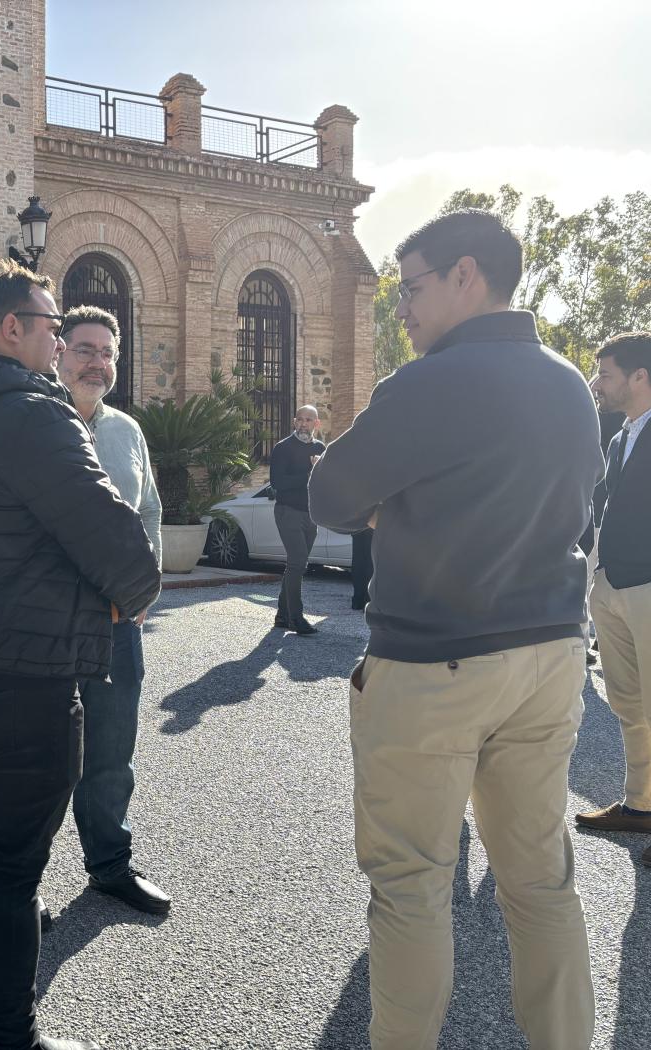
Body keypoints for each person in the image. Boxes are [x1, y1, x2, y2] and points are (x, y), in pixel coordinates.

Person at [309, 209, 602, 1050]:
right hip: (548, 652)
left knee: (410, 887)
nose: (403, 308)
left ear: (467, 275)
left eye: (414, 286)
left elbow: (331, 498)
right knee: (541, 881)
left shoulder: (428, 383)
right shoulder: (568, 383)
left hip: (433, 659)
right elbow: (577, 515)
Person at [0, 262, 161, 1050]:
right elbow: (113, 537)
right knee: (8, 868)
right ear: (12, 329)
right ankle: (10, 1038)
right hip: (18, 667)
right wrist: (134, 593)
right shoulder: (30, 412)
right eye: (51, 328)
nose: (57, 344)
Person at [51, 304, 169, 916]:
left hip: (118, 623)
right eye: (85, 349)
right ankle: (22, 885)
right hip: (44, 624)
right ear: (59, 352)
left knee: (112, 749)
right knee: (40, 756)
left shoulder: (126, 430)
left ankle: (110, 865)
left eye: (107, 353)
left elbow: (147, 510)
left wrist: (142, 589)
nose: (97, 363)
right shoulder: (34, 423)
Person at [575, 333, 651, 864]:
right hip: (612, 587)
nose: (598, 383)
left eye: (605, 373)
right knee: (628, 703)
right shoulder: (619, 436)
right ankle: (641, 805)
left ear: (639, 376)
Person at [269, 405, 324, 634]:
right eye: (300, 419)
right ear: (294, 422)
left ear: (316, 424)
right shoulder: (283, 448)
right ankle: (296, 618)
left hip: (311, 515)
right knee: (298, 562)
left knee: (296, 565)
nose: (303, 424)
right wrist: (309, 474)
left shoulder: (321, 449)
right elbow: (278, 483)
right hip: (287, 511)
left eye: (308, 420)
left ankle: (282, 615)